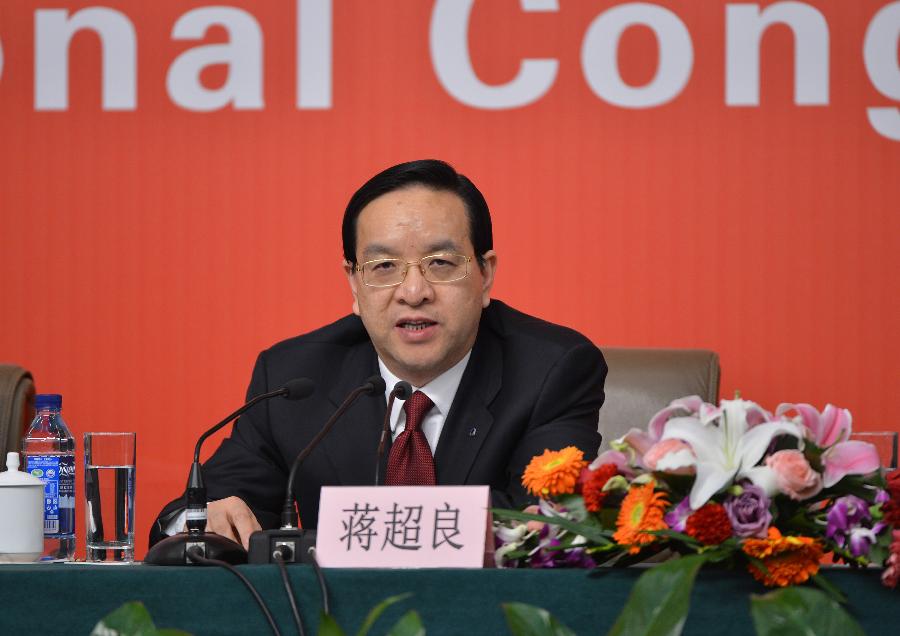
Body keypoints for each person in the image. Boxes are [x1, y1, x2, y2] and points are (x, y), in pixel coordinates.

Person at [150, 159, 607, 549]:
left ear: (485, 276)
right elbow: (208, 509)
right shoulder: (294, 378)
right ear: (354, 283)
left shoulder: (553, 370)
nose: (413, 291)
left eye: (441, 264)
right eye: (384, 266)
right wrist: (202, 522)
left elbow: (540, 525)